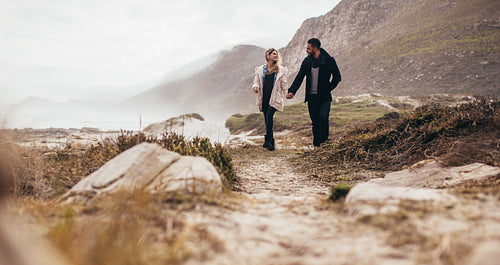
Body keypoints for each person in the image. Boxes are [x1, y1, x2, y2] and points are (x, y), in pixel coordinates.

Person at [286, 38, 341, 147]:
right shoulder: (307, 62)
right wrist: (292, 91)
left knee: (323, 118)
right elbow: (299, 77)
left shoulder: (329, 60)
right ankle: (316, 145)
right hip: (312, 98)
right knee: (315, 122)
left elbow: (337, 77)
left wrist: (329, 87)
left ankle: (324, 143)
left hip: (325, 97)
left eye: (308, 48)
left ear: (315, 48)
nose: (306, 50)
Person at [252, 48, 288, 151]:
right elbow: (256, 81)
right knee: (267, 120)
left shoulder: (280, 70)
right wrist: (255, 87)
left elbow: (284, 83)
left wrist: (287, 93)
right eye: (273, 54)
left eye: (276, 54)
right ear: (268, 56)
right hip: (264, 98)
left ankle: (270, 142)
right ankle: (267, 141)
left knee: (269, 117)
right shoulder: (260, 70)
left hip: (274, 99)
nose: (276, 56)